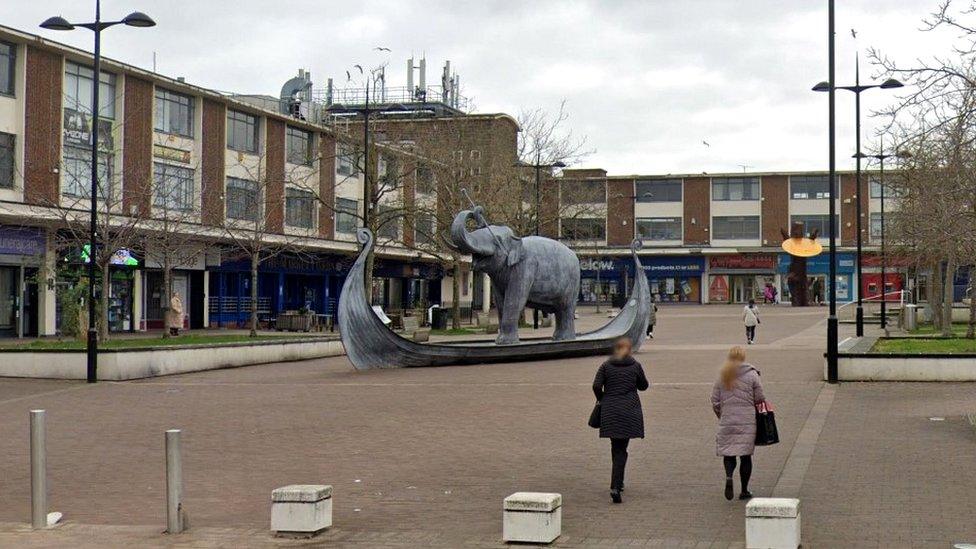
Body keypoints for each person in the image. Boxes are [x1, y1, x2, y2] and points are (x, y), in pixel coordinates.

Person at [592, 337, 649, 504]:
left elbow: (596, 385)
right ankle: (616, 485)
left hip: (610, 409)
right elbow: (644, 386)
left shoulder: (606, 366)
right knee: (622, 449)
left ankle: (618, 482)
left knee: (616, 447)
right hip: (629, 410)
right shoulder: (635, 366)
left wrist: (601, 398)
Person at [710, 346, 765, 501]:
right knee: (746, 456)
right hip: (747, 420)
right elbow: (760, 397)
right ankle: (745, 490)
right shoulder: (752, 375)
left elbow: (714, 400)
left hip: (728, 419)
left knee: (729, 452)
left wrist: (721, 415)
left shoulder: (723, 375)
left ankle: (729, 476)